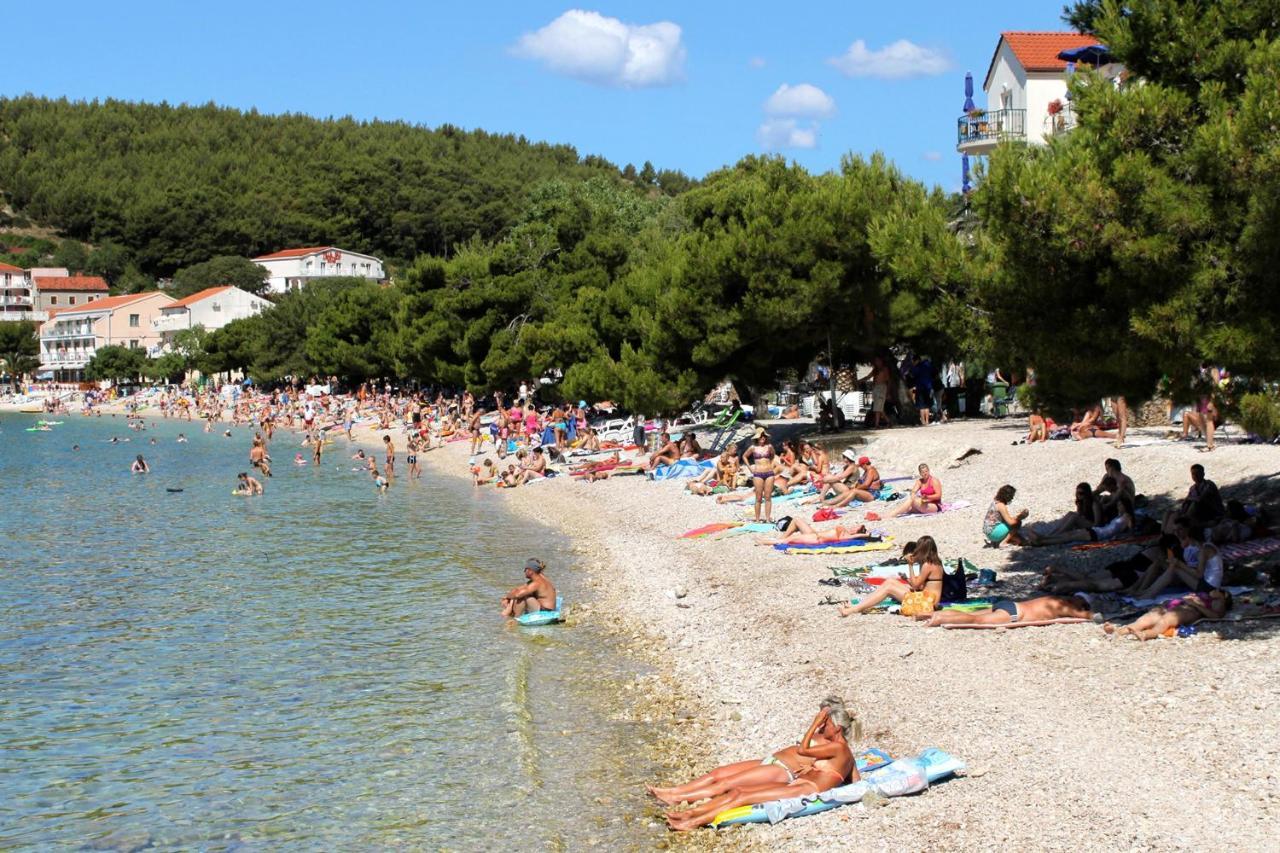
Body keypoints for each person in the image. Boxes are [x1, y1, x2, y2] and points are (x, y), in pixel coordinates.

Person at [663, 701, 856, 831]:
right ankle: (689, 813)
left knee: (744, 796)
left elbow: (804, 750)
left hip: (804, 789)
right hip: (797, 783)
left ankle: (692, 822)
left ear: (837, 728)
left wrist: (813, 725)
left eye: (826, 724)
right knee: (737, 791)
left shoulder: (839, 749)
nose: (823, 727)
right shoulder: (845, 753)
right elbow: (856, 781)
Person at [839, 536, 955, 616]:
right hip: (928, 599)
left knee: (889, 588)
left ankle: (854, 609)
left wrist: (910, 565)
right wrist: (907, 579)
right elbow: (921, 587)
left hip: (926, 603)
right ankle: (860, 605)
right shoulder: (935, 562)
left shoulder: (927, 565)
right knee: (890, 581)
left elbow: (915, 586)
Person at [1129, 519, 1223, 597]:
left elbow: (1199, 574)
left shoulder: (1204, 550)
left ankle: (1148, 593)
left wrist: (1179, 563)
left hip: (1209, 588)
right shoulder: (1205, 547)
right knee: (1167, 564)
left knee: (1174, 568)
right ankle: (1144, 590)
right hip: (1207, 583)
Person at [1103, 589, 1231, 640]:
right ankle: (1118, 631)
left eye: (1219, 590)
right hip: (1176, 605)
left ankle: (1146, 634)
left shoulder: (1218, 602)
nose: (1214, 590)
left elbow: (1216, 616)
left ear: (1224, 596)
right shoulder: (1206, 595)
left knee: (1166, 620)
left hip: (1191, 610)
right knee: (1146, 619)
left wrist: (1196, 603)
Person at [925, 594, 1094, 626]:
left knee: (970, 614)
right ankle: (939, 619)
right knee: (977, 620)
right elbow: (1087, 616)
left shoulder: (1054, 598)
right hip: (1015, 613)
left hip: (1010, 604)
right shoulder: (1065, 606)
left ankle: (929, 614)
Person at [1164, 463, 1225, 533]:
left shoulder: (1209, 484)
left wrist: (1189, 499)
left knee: (1195, 505)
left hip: (1211, 512)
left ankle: (1182, 525)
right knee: (1169, 512)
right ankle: (1164, 533)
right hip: (1197, 512)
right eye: (1193, 474)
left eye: (1197, 473)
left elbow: (1200, 499)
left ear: (1203, 474)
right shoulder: (1192, 488)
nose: (1195, 476)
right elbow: (1186, 502)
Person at [743, 428, 776, 523]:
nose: (763, 438)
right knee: (758, 497)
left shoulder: (769, 446)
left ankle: (768, 518)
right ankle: (757, 519)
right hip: (757, 473)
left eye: (764, 436)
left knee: (768, 497)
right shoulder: (753, 447)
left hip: (769, 473)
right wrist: (750, 468)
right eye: (761, 436)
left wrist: (772, 465)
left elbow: (773, 456)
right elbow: (744, 456)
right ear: (757, 437)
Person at [861, 356, 892, 428]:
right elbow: (868, 377)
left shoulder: (885, 369)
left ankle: (880, 423)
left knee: (878, 406)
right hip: (875, 388)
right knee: (877, 407)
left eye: (878, 361)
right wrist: (860, 381)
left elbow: (888, 381)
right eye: (876, 361)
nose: (877, 362)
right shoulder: (875, 370)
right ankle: (882, 423)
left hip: (882, 387)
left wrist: (888, 392)